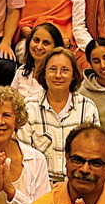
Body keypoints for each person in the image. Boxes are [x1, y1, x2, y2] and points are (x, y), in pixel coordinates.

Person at [22, 47, 100, 182]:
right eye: (52, 69)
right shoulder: (28, 107)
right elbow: (25, 158)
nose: (58, 75)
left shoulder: (87, 108)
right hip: (37, 186)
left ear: (73, 75)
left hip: (79, 183)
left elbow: (93, 155)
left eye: (65, 70)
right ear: (44, 73)